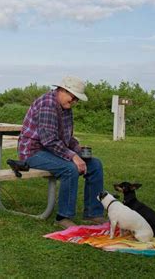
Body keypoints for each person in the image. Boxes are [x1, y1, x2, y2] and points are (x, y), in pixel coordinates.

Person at [18, 76, 105, 228]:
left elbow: (66, 137)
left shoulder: (65, 107)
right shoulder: (47, 104)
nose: (74, 102)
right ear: (63, 90)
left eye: (77, 99)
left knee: (95, 164)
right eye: (73, 98)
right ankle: (63, 217)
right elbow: (49, 140)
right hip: (33, 152)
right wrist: (73, 156)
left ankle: (93, 213)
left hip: (52, 151)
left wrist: (78, 150)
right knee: (70, 168)